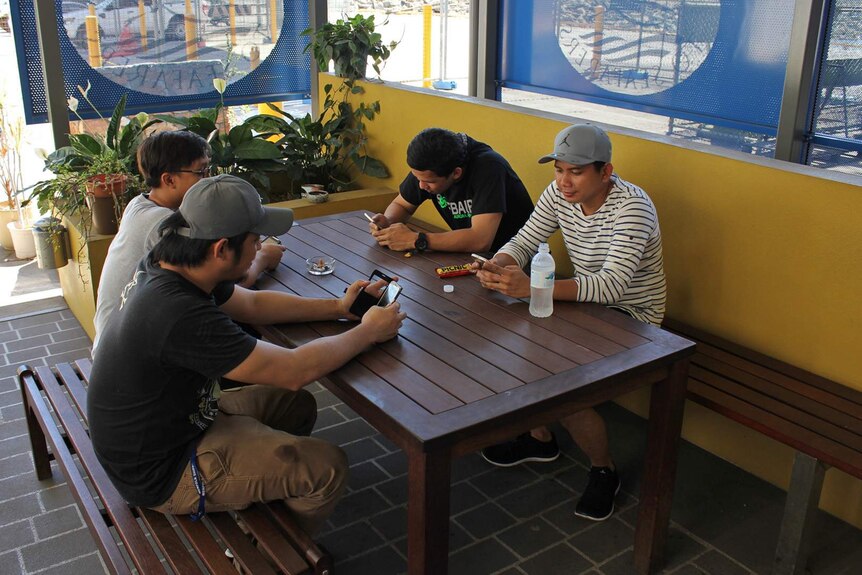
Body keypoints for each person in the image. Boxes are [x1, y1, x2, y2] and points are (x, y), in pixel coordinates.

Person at [87, 175, 406, 535]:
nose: (260, 247)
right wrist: (368, 331)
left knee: (297, 406)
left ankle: (261, 494)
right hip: (163, 470)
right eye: (255, 240)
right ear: (222, 248)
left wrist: (339, 306)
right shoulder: (177, 312)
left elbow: (252, 304)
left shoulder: (175, 260)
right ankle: (283, 555)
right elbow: (293, 369)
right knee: (328, 468)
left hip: (178, 420)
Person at [476, 124, 666, 521]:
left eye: (576, 171)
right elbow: (526, 239)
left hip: (634, 319)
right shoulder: (558, 194)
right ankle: (540, 437)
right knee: (513, 339)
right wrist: (500, 263)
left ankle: (604, 469)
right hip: (585, 306)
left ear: (605, 171)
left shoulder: (633, 206)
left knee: (559, 379)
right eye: (559, 169)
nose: (564, 181)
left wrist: (532, 287)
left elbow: (612, 287)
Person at [92, 130, 284, 348]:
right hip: (129, 348)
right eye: (201, 172)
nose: (209, 179)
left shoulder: (140, 203)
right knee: (241, 329)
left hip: (118, 339)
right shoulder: (165, 225)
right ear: (169, 179)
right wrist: (263, 257)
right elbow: (230, 278)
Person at [369, 127, 534, 254]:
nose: (421, 186)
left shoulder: (489, 168)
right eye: (417, 178)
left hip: (519, 260)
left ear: (456, 173)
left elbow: (481, 240)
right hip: (470, 256)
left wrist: (416, 239)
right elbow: (402, 205)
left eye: (428, 182)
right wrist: (388, 222)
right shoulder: (428, 165)